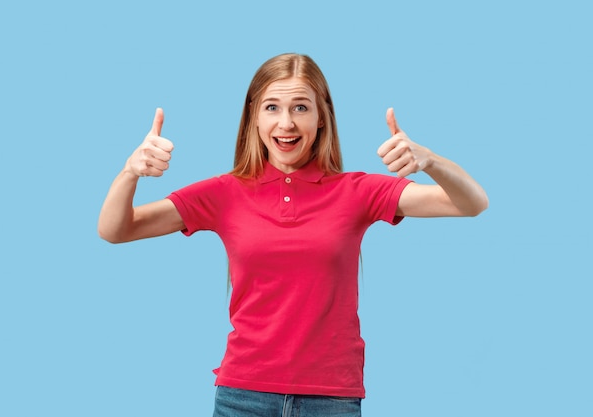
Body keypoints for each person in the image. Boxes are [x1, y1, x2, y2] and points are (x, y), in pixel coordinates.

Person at [98, 53, 488, 417]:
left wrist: (431, 161)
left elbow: (470, 203)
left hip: (332, 398)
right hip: (242, 394)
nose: (286, 123)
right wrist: (130, 172)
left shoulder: (358, 191)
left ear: (322, 117)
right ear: (254, 117)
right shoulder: (223, 193)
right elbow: (116, 229)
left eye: (300, 107)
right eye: (273, 108)